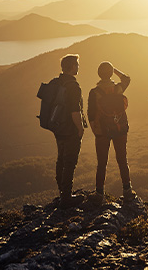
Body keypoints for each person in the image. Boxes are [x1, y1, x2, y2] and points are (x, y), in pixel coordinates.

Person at [88, 61, 133, 200]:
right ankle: (127, 191)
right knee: (122, 160)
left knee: (102, 163)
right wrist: (115, 70)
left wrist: (96, 132)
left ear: (99, 74)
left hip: (102, 131)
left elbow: (90, 115)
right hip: (120, 129)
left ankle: (99, 194)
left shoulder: (94, 93)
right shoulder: (117, 89)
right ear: (110, 73)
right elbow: (127, 79)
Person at [52, 54, 86, 207]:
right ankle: (66, 197)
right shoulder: (73, 86)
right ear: (72, 67)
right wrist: (80, 128)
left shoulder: (58, 83)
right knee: (70, 161)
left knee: (61, 159)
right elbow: (75, 111)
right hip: (70, 129)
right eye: (77, 65)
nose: (78, 67)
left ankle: (62, 192)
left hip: (58, 127)